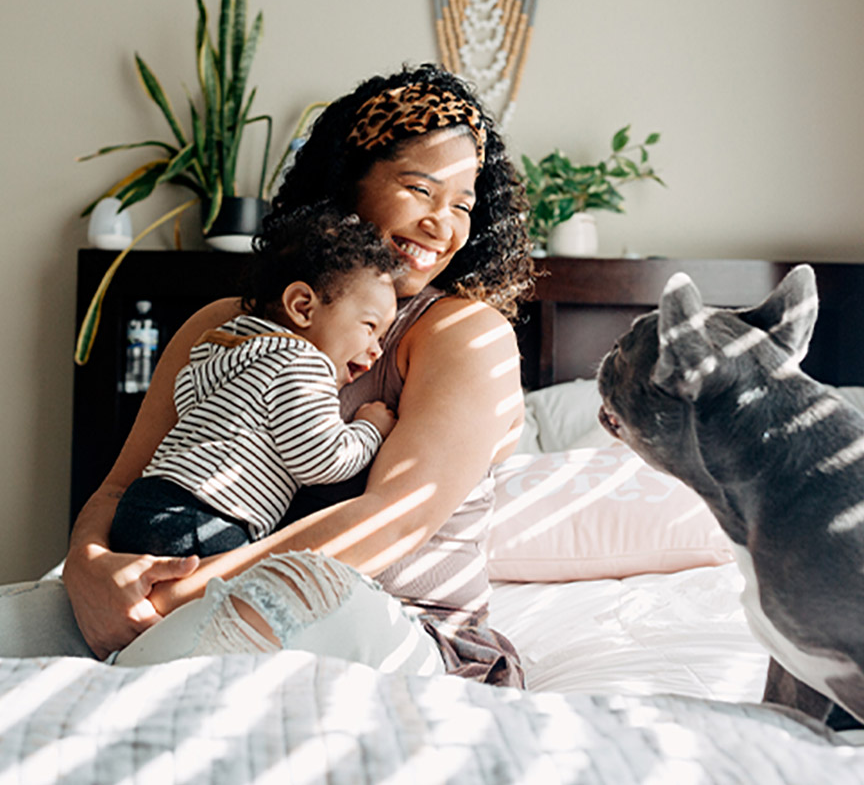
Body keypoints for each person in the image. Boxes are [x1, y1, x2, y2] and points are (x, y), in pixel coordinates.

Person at [5, 63, 535, 682]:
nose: (442, 225)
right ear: (349, 181)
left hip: (399, 629)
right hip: (181, 596)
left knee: (300, 582)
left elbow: (389, 521)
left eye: (461, 205)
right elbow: (122, 488)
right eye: (420, 189)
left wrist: (171, 597)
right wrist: (87, 567)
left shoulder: (466, 335)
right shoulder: (224, 324)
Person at [109, 204, 400, 558]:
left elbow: (186, 393)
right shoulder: (303, 362)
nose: (377, 350)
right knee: (230, 598)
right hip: (207, 515)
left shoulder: (225, 343)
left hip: (143, 503)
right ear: (302, 306)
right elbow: (322, 458)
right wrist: (369, 429)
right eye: (370, 328)